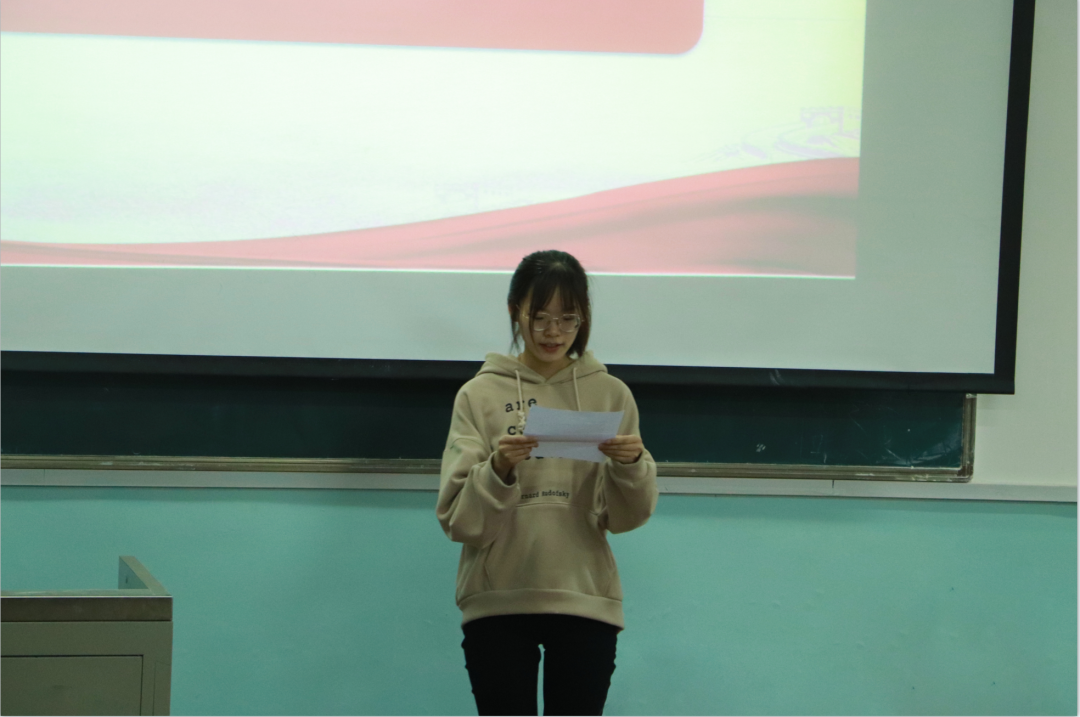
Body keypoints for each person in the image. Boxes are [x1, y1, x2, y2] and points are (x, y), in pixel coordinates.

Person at [437, 249, 659, 716]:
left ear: (584, 318)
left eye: (567, 318)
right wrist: (498, 469)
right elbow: (458, 520)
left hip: (584, 598)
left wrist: (633, 464)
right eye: (539, 318)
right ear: (515, 311)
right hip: (498, 600)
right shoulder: (478, 395)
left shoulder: (610, 394)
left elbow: (628, 517)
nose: (553, 332)